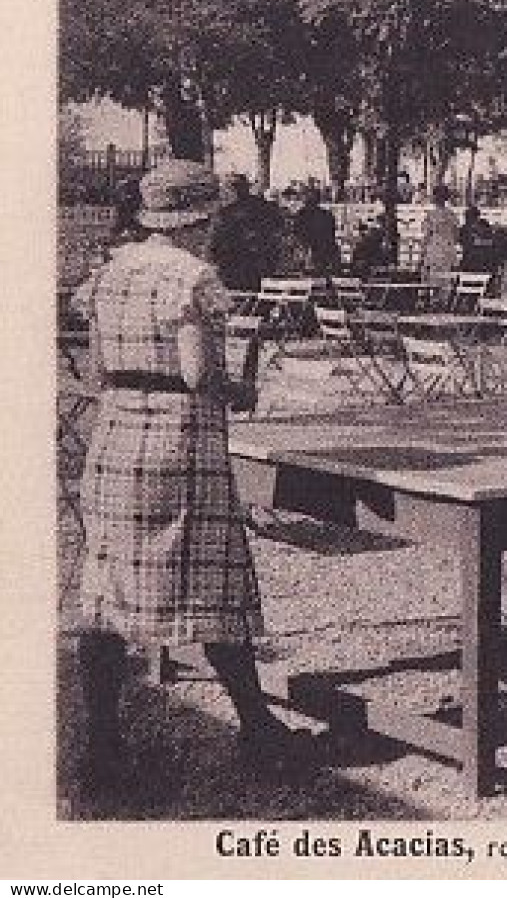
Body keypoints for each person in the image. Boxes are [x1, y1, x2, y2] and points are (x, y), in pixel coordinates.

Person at [70, 160, 314, 791]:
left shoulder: (109, 273)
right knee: (209, 590)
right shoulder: (192, 278)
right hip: (180, 447)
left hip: (116, 441)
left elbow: (96, 373)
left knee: (106, 597)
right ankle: (259, 730)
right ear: (201, 218)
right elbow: (200, 374)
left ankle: (99, 744)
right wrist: (242, 390)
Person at [208, 174, 287, 293]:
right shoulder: (266, 207)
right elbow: (280, 230)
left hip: (234, 273)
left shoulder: (225, 214)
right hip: (264, 270)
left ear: (232, 190)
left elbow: (214, 245)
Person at [289, 187, 341, 276]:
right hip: (325, 254)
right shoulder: (327, 215)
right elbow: (332, 236)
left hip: (311, 254)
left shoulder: (301, 215)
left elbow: (297, 236)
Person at [419, 186, 460, 278]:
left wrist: (422, 255)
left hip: (434, 250)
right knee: (446, 280)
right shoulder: (452, 215)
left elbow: (427, 236)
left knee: (432, 280)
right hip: (448, 250)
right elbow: (456, 236)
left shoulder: (431, 215)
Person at [458, 206, 498, 273]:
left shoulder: (484, 225)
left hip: (484, 260)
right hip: (470, 261)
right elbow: (465, 244)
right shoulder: (464, 229)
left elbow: (492, 240)